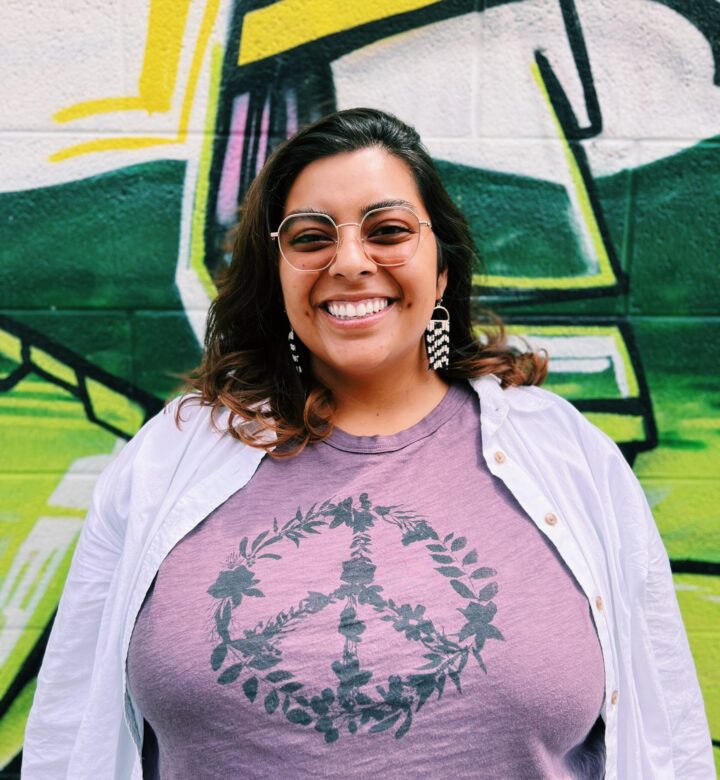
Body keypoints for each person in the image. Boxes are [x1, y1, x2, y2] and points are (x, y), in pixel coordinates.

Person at [22, 108, 713, 779]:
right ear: (277, 274)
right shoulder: (165, 460)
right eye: (310, 238)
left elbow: (665, 735)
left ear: (442, 269)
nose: (350, 262)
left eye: (388, 231)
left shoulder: (572, 459)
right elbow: (73, 732)